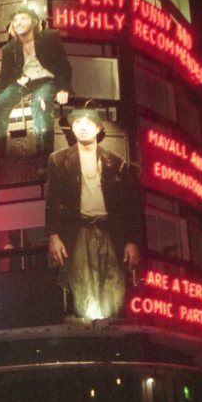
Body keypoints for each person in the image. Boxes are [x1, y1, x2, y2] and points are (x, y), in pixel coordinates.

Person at [45, 102, 142, 320]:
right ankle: (90, 332)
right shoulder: (59, 160)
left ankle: (112, 336)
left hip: (110, 230)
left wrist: (132, 240)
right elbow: (53, 201)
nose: (82, 126)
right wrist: (53, 235)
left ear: (98, 129)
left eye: (88, 122)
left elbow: (130, 206)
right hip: (78, 230)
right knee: (82, 286)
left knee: (114, 286)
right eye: (77, 122)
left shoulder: (116, 163)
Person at [0, 4, 72, 174]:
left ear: (33, 21)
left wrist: (64, 89)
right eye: (15, 20)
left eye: (23, 18)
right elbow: (3, 77)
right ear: (12, 27)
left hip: (46, 79)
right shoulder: (9, 49)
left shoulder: (49, 37)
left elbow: (64, 66)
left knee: (40, 105)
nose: (19, 22)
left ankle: (45, 159)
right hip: (23, 82)